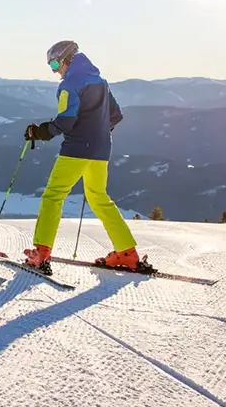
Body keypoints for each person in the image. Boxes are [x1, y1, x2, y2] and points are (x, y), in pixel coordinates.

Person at [22, 40, 147, 273]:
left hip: (76, 149)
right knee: (99, 197)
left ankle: (41, 253)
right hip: (101, 150)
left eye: (56, 63)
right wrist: (97, 133)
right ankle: (127, 253)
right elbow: (116, 116)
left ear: (68, 59)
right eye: (51, 65)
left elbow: (66, 121)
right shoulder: (100, 81)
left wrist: (40, 132)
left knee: (53, 196)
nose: (55, 70)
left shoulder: (69, 85)